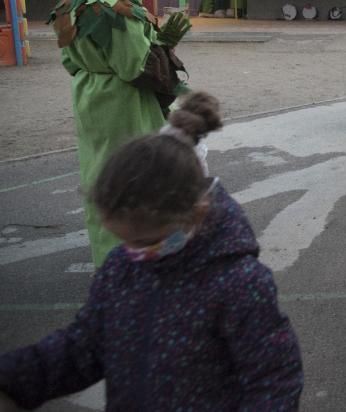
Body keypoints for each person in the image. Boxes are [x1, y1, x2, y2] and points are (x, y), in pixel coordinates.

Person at [0, 93, 304, 409]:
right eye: (124, 240)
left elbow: (274, 380)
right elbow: (83, 348)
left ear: (196, 214)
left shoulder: (238, 283)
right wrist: (12, 376)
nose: (134, 252)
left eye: (146, 242)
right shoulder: (121, 268)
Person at [47, 0, 191, 268]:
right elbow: (133, 65)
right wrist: (165, 45)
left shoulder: (70, 2)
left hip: (88, 95)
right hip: (126, 103)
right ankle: (138, 262)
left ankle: (108, 261)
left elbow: (68, 60)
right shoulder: (113, 8)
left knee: (101, 178)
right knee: (136, 179)